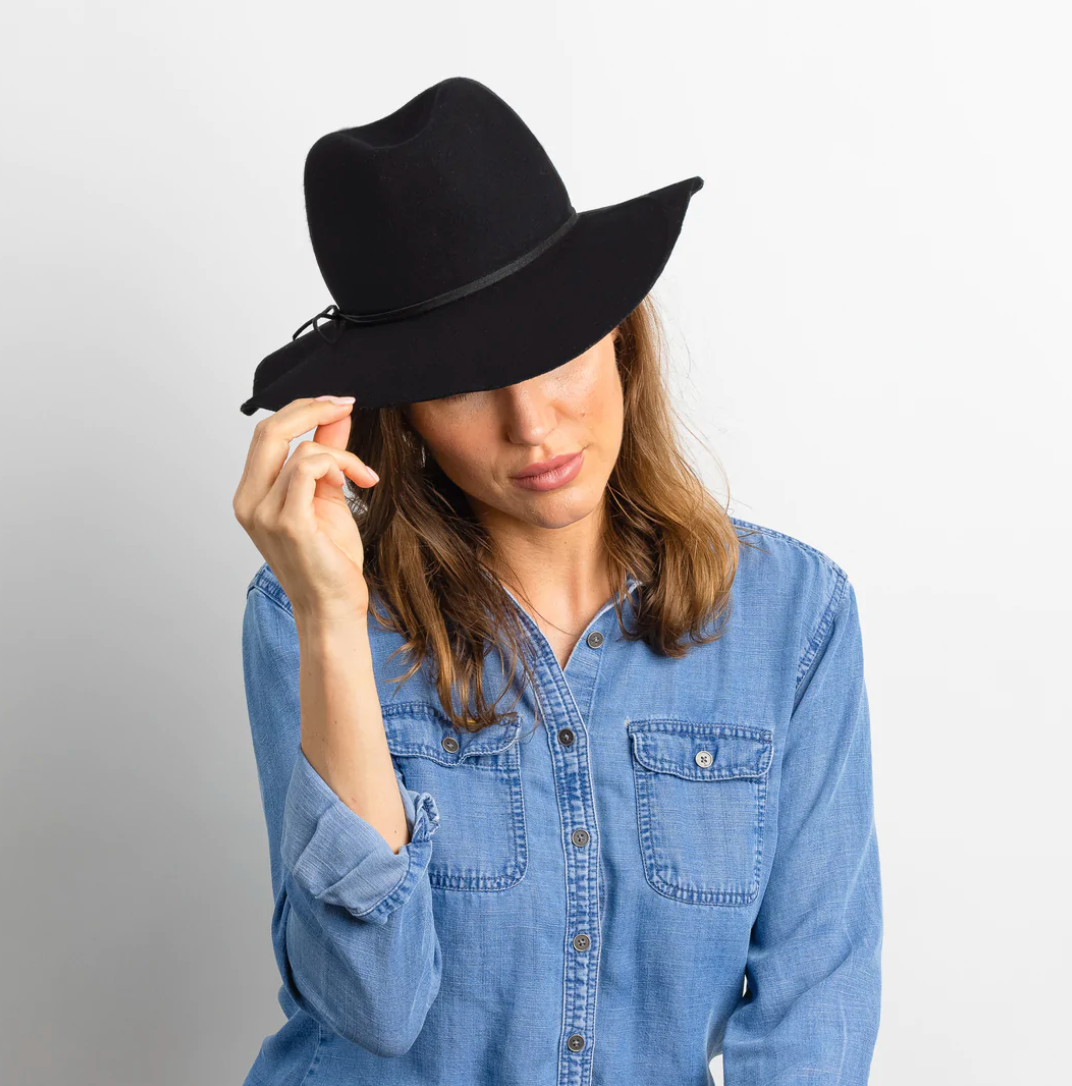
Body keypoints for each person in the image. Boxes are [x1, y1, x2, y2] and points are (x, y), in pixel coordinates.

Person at [233, 77, 882, 1086]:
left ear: (621, 336)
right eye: (461, 380)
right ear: (397, 413)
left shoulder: (791, 618)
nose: (531, 425)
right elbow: (369, 1008)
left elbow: (815, 1010)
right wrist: (329, 616)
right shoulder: (302, 614)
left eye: (556, 352)